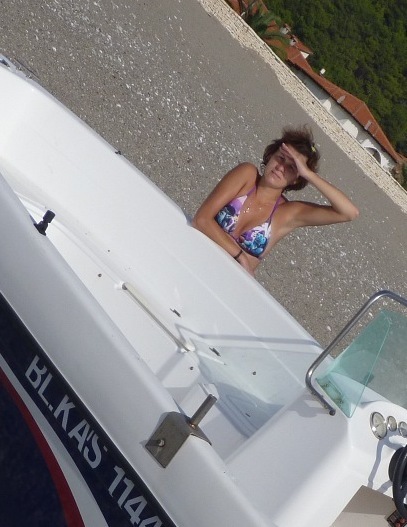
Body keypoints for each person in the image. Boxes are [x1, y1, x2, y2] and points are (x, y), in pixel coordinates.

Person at [192, 126, 359, 276]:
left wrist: (308, 174)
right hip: (195, 255)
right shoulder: (246, 175)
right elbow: (202, 219)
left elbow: (349, 213)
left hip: (228, 281)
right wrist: (240, 256)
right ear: (271, 155)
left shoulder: (287, 213)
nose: (280, 168)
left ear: (296, 178)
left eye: (292, 167)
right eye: (280, 158)